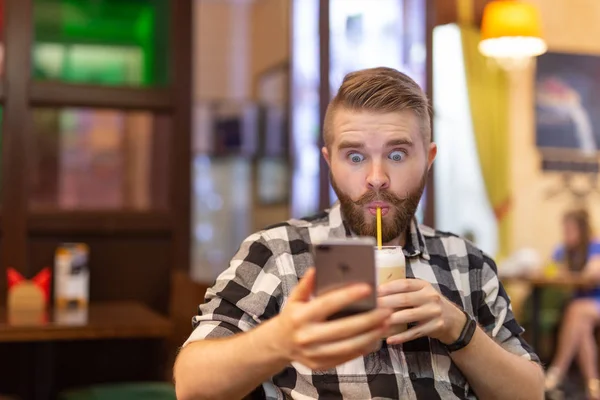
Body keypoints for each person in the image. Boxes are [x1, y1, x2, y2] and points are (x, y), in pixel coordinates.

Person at [174, 67, 543, 400]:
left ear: (428, 159)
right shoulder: (277, 253)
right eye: (354, 156)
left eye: (397, 155)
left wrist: (460, 330)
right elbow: (192, 384)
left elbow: (530, 392)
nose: (377, 177)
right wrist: (282, 338)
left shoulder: (468, 262)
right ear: (329, 162)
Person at [544, 209, 600, 399]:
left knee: (575, 310)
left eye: (570, 229)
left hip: (596, 302)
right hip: (581, 309)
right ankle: (593, 387)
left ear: (582, 230)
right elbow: (550, 271)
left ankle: (556, 372)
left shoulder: (595, 246)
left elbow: (593, 273)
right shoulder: (563, 250)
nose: (566, 233)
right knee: (581, 328)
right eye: (564, 229)